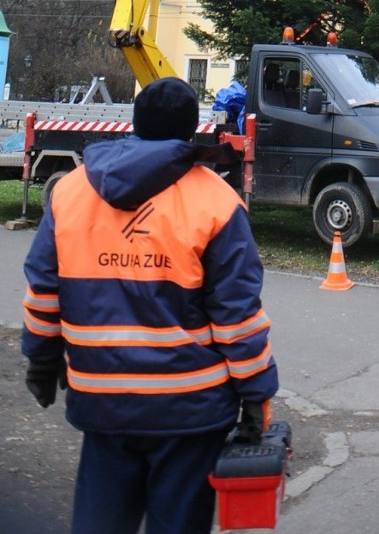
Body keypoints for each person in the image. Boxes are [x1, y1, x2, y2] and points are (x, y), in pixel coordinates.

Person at [22, 76, 278, 534]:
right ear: (191, 131)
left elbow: (43, 292)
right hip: (189, 411)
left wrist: (41, 361)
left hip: (103, 401)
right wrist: (255, 395)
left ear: (134, 124)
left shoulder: (72, 192)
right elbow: (237, 316)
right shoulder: (217, 201)